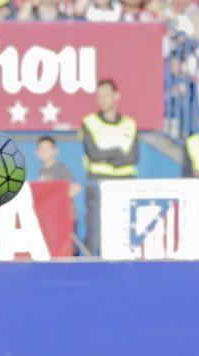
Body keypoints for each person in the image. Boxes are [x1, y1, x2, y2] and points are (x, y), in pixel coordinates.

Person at [80, 79, 138, 255]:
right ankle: (90, 267)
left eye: (106, 95)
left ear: (116, 96)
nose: (102, 99)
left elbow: (133, 157)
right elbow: (94, 154)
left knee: (124, 227)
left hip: (125, 182)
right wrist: (119, 152)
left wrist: (107, 157)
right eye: (99, 96)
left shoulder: (129, 123)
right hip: (98, 182)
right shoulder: (89, 122)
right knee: (95, 227)